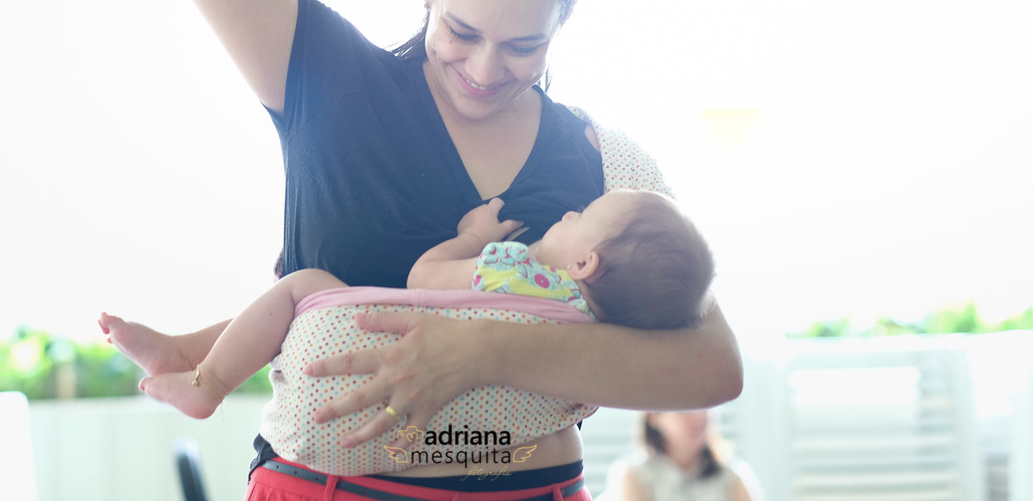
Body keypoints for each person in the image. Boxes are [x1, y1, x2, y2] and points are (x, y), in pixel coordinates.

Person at [123, 0, 743, 498]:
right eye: (461, 30)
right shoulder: (324, 78)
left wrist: (484, 349)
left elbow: (711, 365)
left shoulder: (606, 163)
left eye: (524, 45)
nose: (485, 68)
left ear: (567, 18)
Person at [109, 190, 714, 431]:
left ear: (584, 265)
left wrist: (474, 237)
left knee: (301, 286)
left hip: (370, 336)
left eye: (584, 216)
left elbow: (422, 276)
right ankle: (187, 351)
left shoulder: (517, 269)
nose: (571, 212)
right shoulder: (595, 334)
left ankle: (205, 378)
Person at [601, 411, 763, 501]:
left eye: (705, 405)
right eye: (684, 410)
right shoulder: (632, 476)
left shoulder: (733, 477)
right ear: (653, 416)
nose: (698, 415)